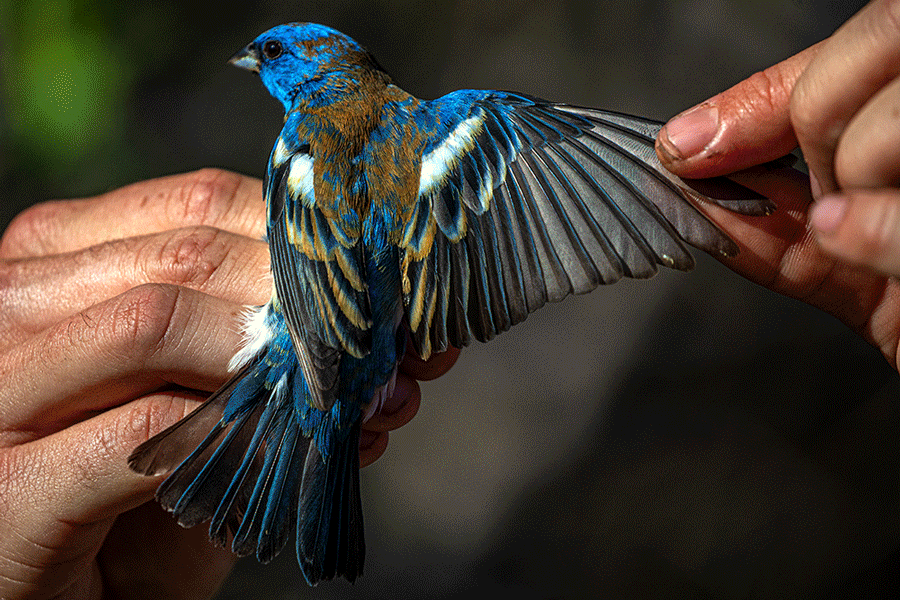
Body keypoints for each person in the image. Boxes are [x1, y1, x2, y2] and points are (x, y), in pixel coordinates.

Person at [0, 0, 897, 597]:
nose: (258, 62)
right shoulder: (461, 131)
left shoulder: (299, 145)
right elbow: (569, 163)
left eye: (272, 54)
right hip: (366, 354)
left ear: (307, 69)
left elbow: (301, 262)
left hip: (304, 354)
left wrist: (314, 353)